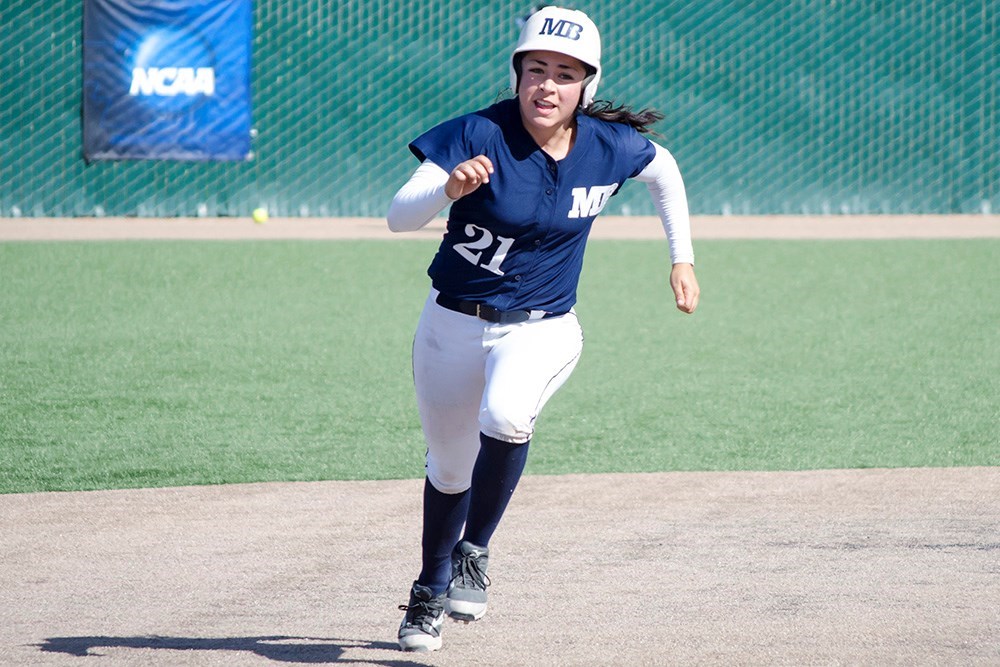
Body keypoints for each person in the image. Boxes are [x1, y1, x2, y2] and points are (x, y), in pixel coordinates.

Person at [385, 5, 699, 652]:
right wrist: (447, 187)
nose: (547, 85)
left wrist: (682, 257)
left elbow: (665, 173)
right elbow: (396, 216)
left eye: (564, 73)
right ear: (517, 73)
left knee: (506, 416)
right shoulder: (478, 132)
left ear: (586, 83)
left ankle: (475, 550)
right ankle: (427, 591)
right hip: (450, 325)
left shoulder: (608, 145)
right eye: (535, 69)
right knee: (448, 468)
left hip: (543, 327)